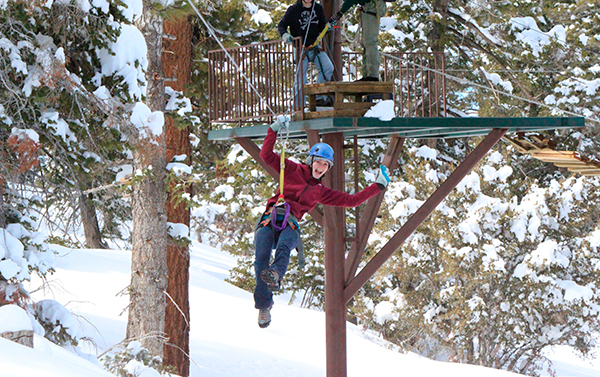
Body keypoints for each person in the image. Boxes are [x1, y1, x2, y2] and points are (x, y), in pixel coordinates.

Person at [254, 117, 391, 328]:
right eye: (318, 161)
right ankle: (264, 306)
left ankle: (275, 275)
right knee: (261, 258)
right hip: (269, 220)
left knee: (284, 247)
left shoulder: (320, 192)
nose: (321, 167)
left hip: (290, 224)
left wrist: (378, 186)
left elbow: (352, 201)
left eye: (325, 165)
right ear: (311, 161)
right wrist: (273, 130)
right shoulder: (291, 170)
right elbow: (266, 155)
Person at [278, 0, 335, 107]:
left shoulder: (317, 8)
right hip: (300, 48)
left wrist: (328, 27)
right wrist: (286, 36)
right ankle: (299, 106)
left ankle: (319, 97)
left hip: (314, 47)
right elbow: (281, 25)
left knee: (328, 67)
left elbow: (322, 27)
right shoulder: (293, 10)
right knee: (301, 78)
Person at [330, 0, 387, 81]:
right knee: (366, 43)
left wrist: (341, 12)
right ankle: (367, 74)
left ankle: (372, 75)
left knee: (370, 43)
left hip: (372, 8)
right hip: (369, 8)